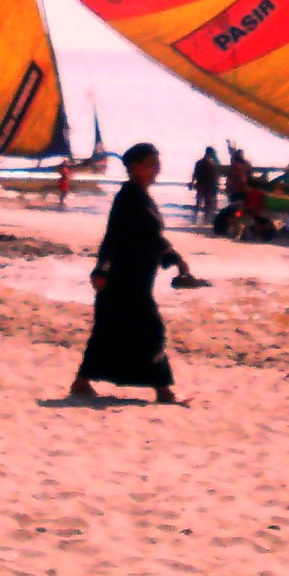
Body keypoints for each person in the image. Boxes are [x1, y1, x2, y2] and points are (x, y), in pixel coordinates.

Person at [69, 142, 197, 404]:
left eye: (157, 165)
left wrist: (176, 259)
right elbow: (113, 237)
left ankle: (81, 382)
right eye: (151, 164)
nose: (156, 170)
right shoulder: (128, 197)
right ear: (135, 167)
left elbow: (152, 237)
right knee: (151, 329)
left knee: (108, 329)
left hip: (137, 276)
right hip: (123, 277)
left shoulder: (140, 195)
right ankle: (164, 390)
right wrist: (102, 269)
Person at [191, 147, 222, 220]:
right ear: (211, 153)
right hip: (208, 186)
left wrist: (192, 182)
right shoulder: (212, 164)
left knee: (199, 201)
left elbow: (195, 174)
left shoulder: (199, 162)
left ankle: (196, 218)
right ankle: (205, 219)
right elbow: (215, 176)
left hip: (201, 185)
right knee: (207, 203)